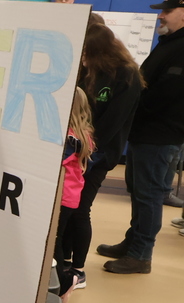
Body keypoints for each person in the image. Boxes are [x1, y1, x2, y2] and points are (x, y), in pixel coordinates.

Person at [97, 0, 184, 274]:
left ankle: (140, 255)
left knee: (149, 195)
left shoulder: (181, 48)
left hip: (160, 134)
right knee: (138, 190)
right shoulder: (170, 43)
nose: (161, 15)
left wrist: (133, 105)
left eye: (167, 11)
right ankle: (133, 242)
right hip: (146, 131)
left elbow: (165, 93)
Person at [61, 23, 142, 287]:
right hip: (77, 150)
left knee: (81, 209)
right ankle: (62, 260)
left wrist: (86, 152)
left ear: (101, 51)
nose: (83, 57)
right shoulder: (88, 70)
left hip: (99, 154)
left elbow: (111, 125)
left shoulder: (127, 76)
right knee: (67, 208)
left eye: (87, 52)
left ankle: (78, 270)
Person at [55, 88, 94, 301]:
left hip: (62, 198)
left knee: (55, 243)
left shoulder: (70, 139)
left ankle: (62, 283)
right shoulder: (83, 134)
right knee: (57, 241)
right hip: (69, 197)